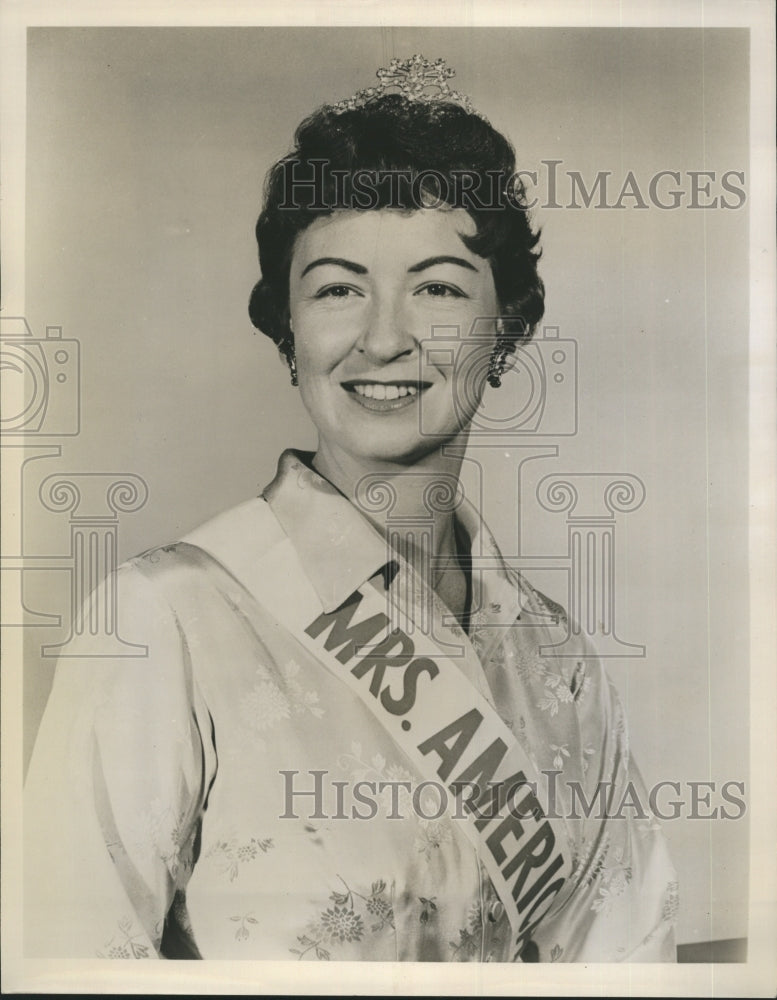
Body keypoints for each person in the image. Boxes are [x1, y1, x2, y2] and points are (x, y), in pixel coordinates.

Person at [24, 55, 678, 962]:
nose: (382, 338)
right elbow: (65, 961)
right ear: (287, 328)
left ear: (507, 326)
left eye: (438, 287)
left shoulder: (555, 659)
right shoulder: (161, 620)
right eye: (337, 288)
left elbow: (628, 961)